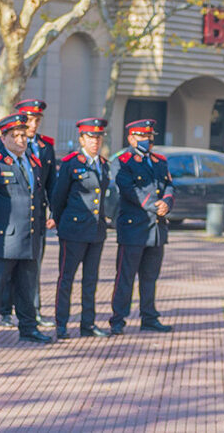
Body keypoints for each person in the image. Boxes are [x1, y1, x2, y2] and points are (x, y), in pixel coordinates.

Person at [0, 113, 52, 346]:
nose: (21, 140)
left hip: (29, 237)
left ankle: (28, 328)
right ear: (4, 138)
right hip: (3, 237)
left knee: (26, 287)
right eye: (15, 136)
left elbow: (38, 198)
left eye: (23, 135)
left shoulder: (33, 163)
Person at [108, 119, 174, 335]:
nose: (146, 140)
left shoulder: (159, 161)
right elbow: (127, 189)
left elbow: (169, 185)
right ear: (131, 138)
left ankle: (149, 317)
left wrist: (167, 202)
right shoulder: (123, 161)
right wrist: (153, 206)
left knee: (150, 277)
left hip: (156, 229)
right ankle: (118, 319)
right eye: (141, 137)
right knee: (125, 277)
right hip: (133, 228)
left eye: (149, 137)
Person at [0, 99, 57, 329]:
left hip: (36, 217)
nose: (33, 124)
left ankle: (34, 311)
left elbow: (51, 184)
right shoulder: (4, 142)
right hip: (11, 217)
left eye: (37, 120)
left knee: (33, 267)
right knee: (8, 268)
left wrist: (54, 212)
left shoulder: (45, 146)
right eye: (29, 119)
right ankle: (4, 312)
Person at [51, 118, 111, 339]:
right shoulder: (70, 163)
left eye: (98, 137)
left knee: (90, 280)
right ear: (81, 139)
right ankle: (62, 324)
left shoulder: (104, 164)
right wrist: (59, 220)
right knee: (66, 278)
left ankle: (88, 324)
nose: (95, 141)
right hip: (73, 231)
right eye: (90, 137)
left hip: (96, 231)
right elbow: (58, 197)